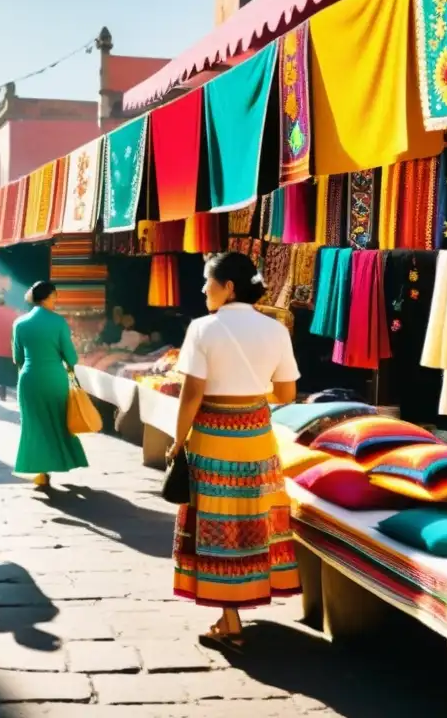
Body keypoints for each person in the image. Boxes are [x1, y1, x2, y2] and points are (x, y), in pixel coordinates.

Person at [168, 252, 300, 651]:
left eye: (208, 281)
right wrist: (252, 387)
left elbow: (192, 393)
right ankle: (234, 610)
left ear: (228, 287)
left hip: (213, 436)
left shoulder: (203, 328)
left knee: (218, 524)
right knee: (250, 522)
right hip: (257, 435)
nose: (203, 289)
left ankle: (231, 622)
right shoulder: (276, 330)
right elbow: (287, 393)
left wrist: (177, 441)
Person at [12, 281, 89, 487]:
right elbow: (71, 358)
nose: (56, 300)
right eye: (55, 296)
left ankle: (40, 471)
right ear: (47, 297)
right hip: (54, 378)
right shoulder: (58, 322)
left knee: (33, 425)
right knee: (58, 422)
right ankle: (63, 460)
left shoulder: (20, 323)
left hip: (28, 379)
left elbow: (17, 357)